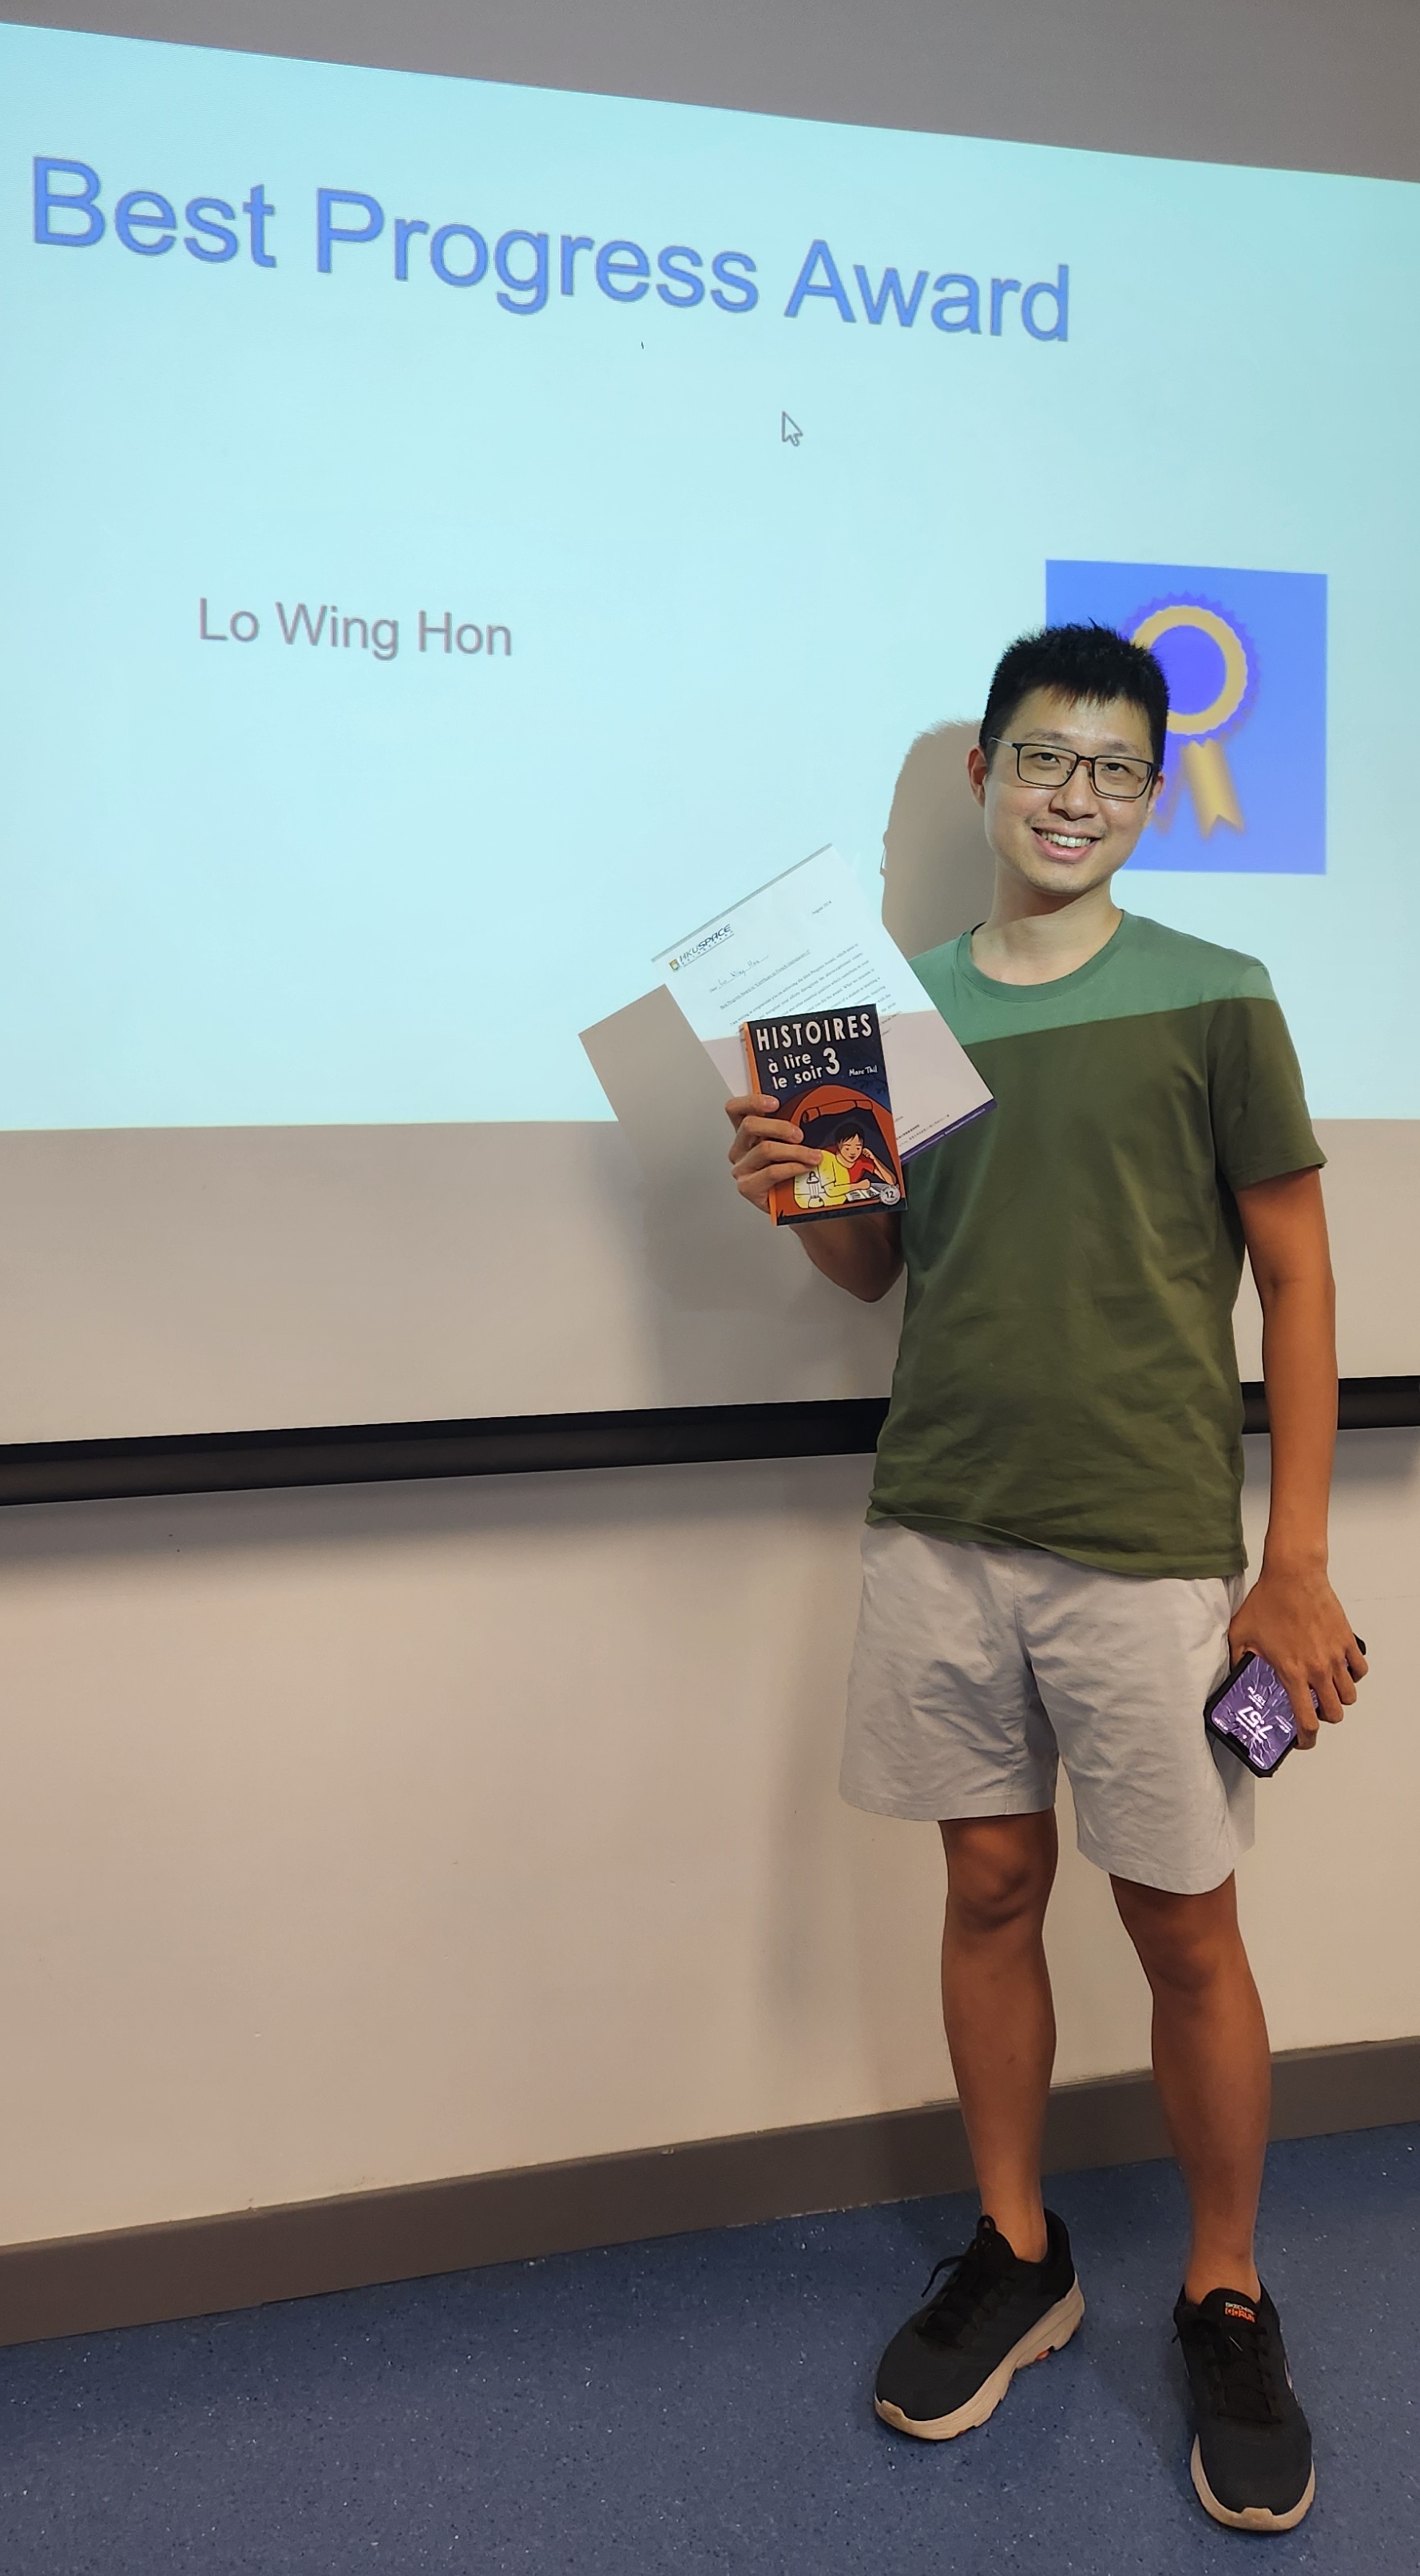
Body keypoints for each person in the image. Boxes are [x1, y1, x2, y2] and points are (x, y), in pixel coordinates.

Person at [725, 624, 1365, 2535]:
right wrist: (799, 1190)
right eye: (1041, 757)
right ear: (986, 775)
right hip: (942, 1521)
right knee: (990, 1886)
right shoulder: (895, 1014)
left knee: (1184, 1929)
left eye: (1114, 765)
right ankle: (1019, 2247)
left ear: (1152, 793)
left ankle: (1226, 2289)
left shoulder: (1217, 994)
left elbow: (1299, 1279)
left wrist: (1296, 1557)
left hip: (1150, 1547)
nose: (1074, 793)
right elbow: (877, 1269)